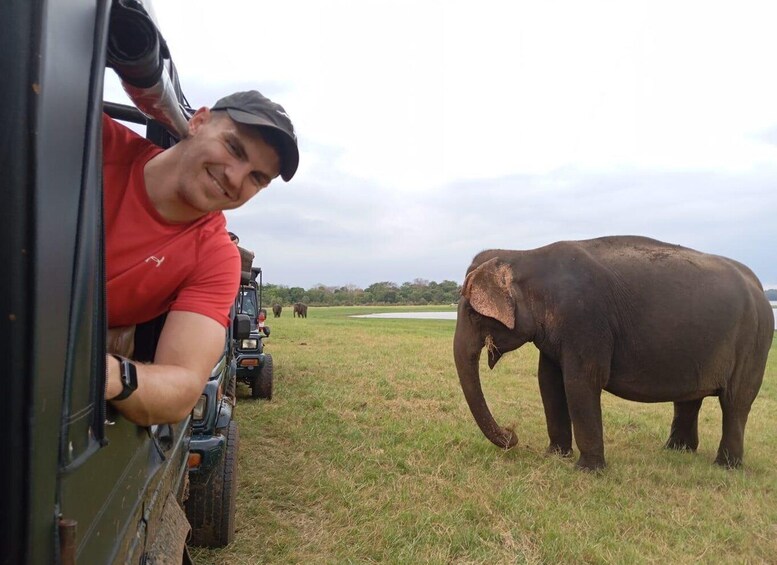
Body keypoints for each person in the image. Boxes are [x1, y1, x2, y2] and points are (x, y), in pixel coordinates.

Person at [103, 90, 298, 426]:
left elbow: (181, 386)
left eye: (256, 178)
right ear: (198, 121)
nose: (235, 179)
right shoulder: (95, 143)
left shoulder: (215, 257)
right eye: (234, 148)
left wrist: (100, 374)